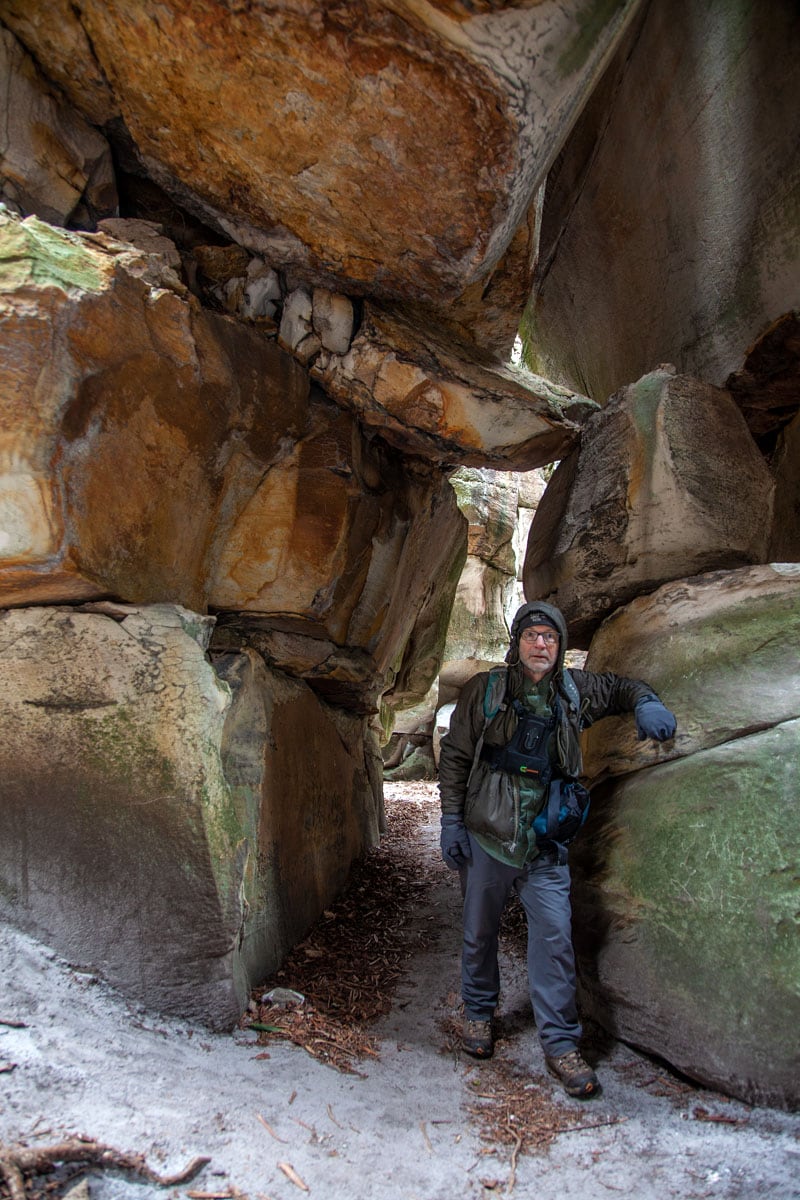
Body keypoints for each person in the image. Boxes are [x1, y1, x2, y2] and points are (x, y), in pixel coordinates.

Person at [438, 600, 676, 1099]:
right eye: (532, 635)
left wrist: (646, 703)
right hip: (487, 835)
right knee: (478, 932)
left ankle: (561, 1044)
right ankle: (480, 1015)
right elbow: (457, 756)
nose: (541, 644)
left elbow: (625, 688)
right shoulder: (486, 691)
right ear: (517, 642)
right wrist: (450, 820)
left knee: (553, 941)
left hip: (545, 843)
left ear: (560, 645)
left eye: (550, 637)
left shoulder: (576, 691)